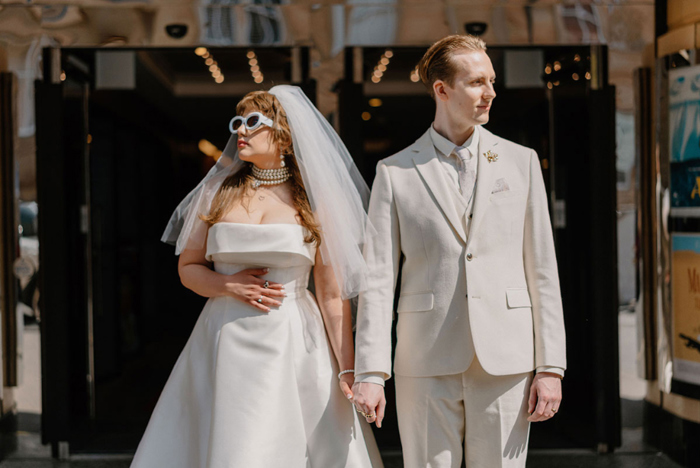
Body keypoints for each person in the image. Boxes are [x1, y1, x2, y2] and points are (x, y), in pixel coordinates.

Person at [131, 86, 383, 468]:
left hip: (295, 338)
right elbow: (188, 268)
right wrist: (227, 285)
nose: (240, 132)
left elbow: (332, 296)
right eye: (237, 123)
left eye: (252, 122)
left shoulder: (314, 201)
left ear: (282, 132)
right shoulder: (216, 191)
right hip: (223, 336)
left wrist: (349, 368)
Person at [352, 35, 567, 468]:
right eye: (476, 82)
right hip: (426, 359)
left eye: (491, 81)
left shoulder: (521, 162)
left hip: (507, 359)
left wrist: (551, 367)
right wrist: (371, 373)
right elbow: (377, 280)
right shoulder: (394, 172)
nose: (489, 93)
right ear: (442, 89)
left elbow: (542, 269)